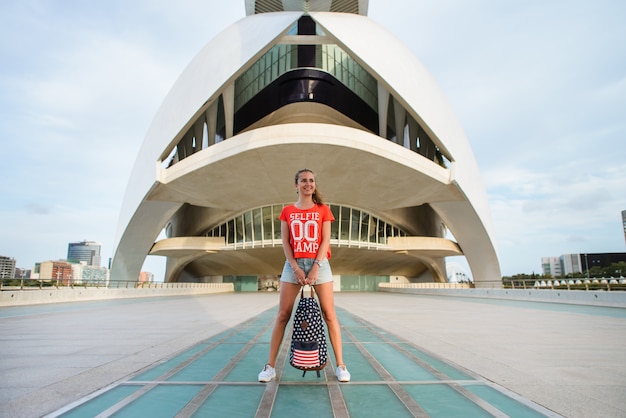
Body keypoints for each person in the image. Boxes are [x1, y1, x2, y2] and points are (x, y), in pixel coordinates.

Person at [258, 168, 350, 383]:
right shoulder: (287, 211)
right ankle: (270, 366)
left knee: (329, 315)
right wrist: (296, 268)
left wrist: (316, 266)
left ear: (314, 185)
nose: (308, 184)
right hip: (293, 265)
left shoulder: (323, 210)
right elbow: (286, 242)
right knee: (282, 315)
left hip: (320, 264)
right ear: (296, 185)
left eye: (311, 181)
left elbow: (325, 240)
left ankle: (341, 365)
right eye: (303, 181)